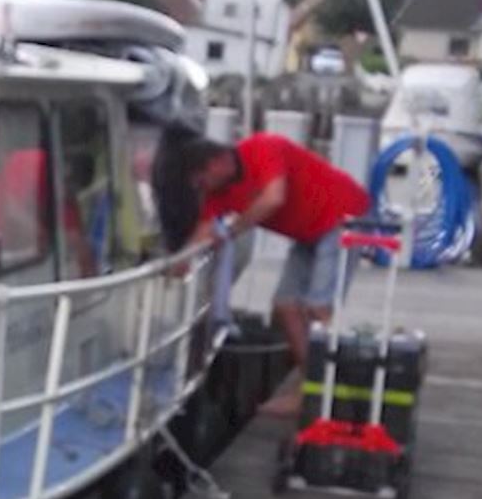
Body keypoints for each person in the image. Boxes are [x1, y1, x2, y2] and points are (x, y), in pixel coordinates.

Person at [153, 127, 369, 416]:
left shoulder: (264, 147)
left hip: (344, 217)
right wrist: (175, 268)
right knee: (285, 306)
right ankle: (311, 386)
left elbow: (273, 198)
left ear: (216, 163)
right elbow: (202, 233)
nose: (203, 190)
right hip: (308, 234)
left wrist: (232, 229)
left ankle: (341, 392)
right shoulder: (218, 194)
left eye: (202, 182)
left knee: (318, 308)